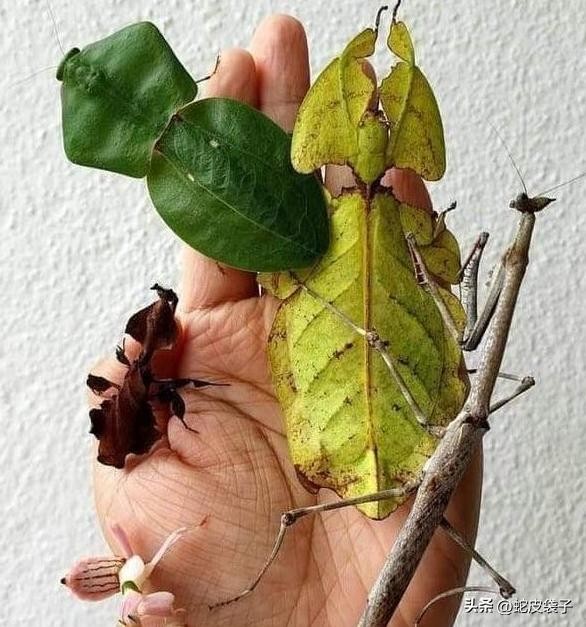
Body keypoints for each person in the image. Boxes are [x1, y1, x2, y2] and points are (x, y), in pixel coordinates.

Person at [91, 15, 482, 627]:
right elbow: (446, 269)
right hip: (376, 477)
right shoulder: (405, 232)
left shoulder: (307, 238)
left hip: (396, 481)